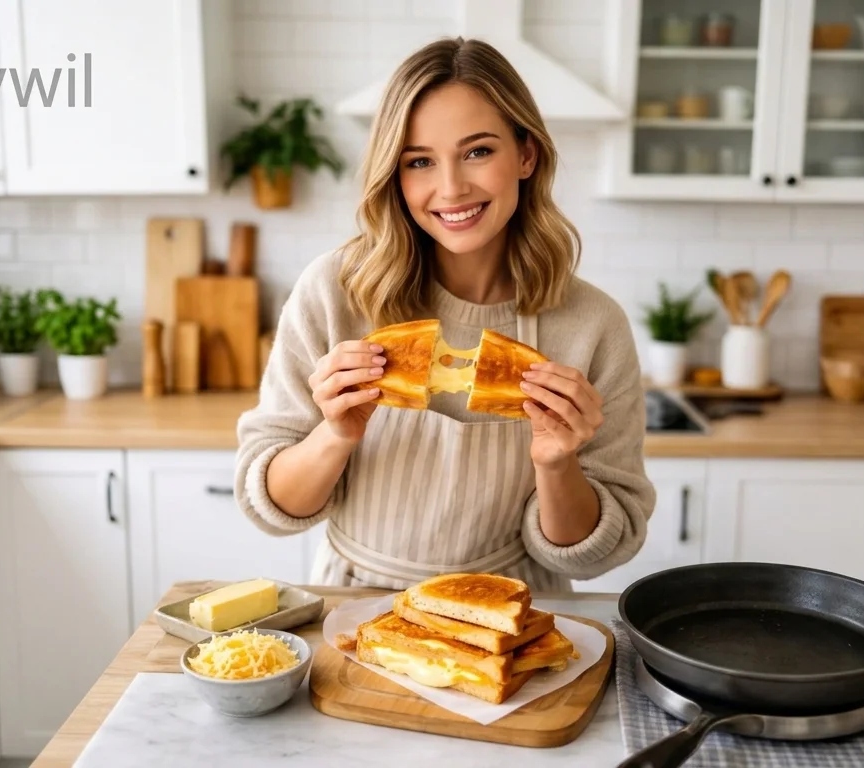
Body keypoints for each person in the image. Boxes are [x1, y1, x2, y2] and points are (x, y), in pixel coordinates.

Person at [234, 37, 656, 592]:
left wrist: (557, 464)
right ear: (395, 173)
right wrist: (335, 435)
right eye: (419, 162)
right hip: (356, 603)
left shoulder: (593, 325)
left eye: (479, 151)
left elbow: (592, 556)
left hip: (517, 608)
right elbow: (270, 509)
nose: (451, 188)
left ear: (526, 154)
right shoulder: (336, 291)